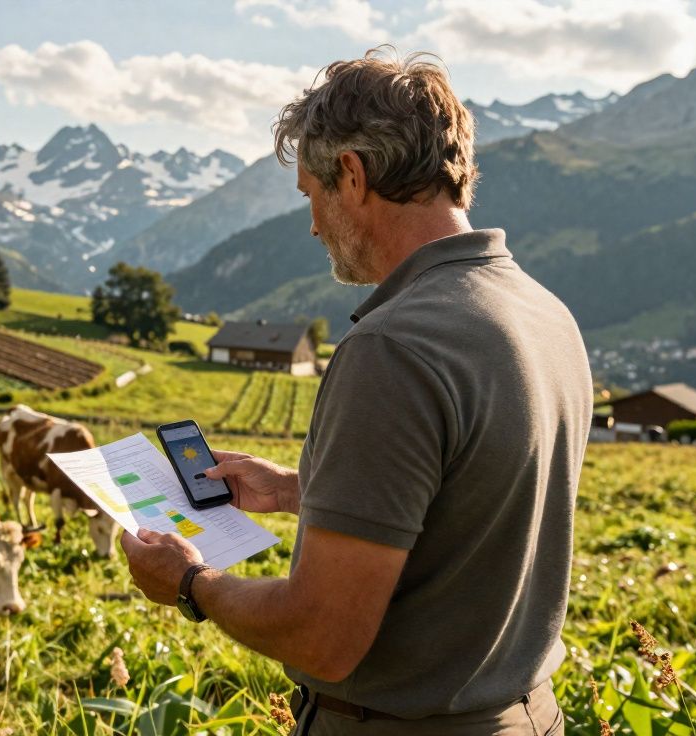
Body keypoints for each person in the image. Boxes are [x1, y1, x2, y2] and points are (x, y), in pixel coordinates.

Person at [119, 47, 592, 735]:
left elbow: (323, 637)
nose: (313, 225)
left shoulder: (392, 350)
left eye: (313, 196)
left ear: (352, 174)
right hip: (529, 715)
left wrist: (191, 583)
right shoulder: (543, 312)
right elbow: (471, 506)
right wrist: (295, 490)